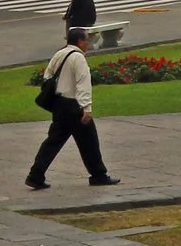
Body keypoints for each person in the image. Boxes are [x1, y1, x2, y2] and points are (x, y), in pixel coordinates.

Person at [26, 28, 116, 190]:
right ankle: (98, 174)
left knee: (53, 141)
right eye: (87, 40)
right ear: (80, 42)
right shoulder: (78, 58)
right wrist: (86, 108)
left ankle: (36, 174)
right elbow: (83, 84)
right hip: (74, 105)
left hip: (60, 104)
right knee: (89, 141)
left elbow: (47, 76)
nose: (88, 43)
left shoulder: (59, 54)